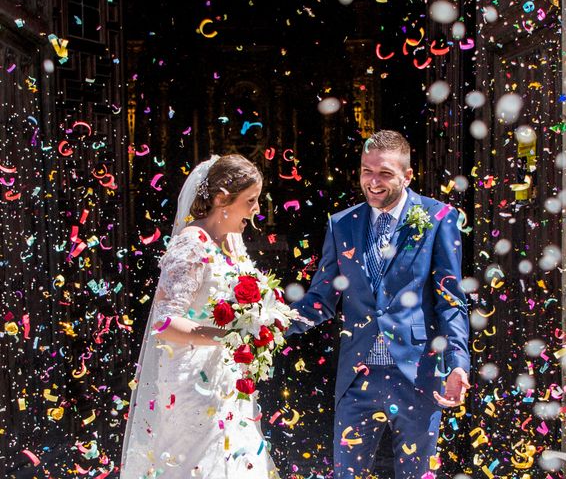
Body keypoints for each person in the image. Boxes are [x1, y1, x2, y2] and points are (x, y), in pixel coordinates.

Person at [288, 130, 471, 478]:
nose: (373, 182)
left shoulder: (437, 217)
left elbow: (450, 300)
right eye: (366, 171)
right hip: (358, 380)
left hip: (418, 375)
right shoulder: (341, 224)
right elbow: (322, 300)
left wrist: (458, 363)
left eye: (385, 173)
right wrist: (273, 321)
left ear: (407, 175)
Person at [121, 154, 280, 478]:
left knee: (239, 458)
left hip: (229, 376)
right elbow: (164, 322)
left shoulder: (233, 243)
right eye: (250, 200)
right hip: (193, 380)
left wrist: (261, 320)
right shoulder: (191, 245)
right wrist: (227, 336)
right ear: (222, 199)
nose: (256, 210)